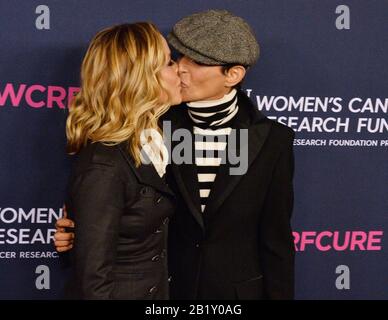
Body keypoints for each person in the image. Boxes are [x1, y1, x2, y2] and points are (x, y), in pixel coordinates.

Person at [55, 10, 295, 300]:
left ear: (232, 75)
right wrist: (77, 239)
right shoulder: (154, 127)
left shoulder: (271, 139)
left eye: (195, 61)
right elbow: (110, 223)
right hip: (167, 291)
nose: (181, 68)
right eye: (177, 58)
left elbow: (276, 241)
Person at [60, 22, 181, 300]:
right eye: (168, 63)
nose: (179, 70)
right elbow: (93, 282)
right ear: (141, 78)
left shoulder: (150, 143)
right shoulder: (104, 165)